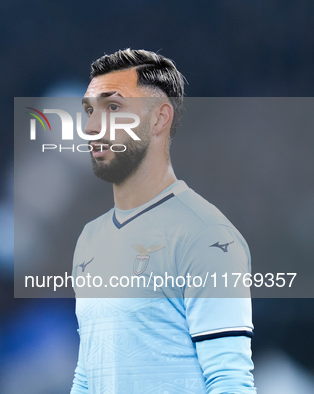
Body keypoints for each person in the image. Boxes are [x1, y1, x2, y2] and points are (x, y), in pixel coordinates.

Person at [70, 49, 255, 393]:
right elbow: (88, 374)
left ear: (158, 119)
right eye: (89, 111)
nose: (93, 126)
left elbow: (229, 379)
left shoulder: (205, 235)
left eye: (113, 107)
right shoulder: (90, 239)